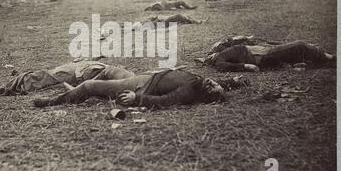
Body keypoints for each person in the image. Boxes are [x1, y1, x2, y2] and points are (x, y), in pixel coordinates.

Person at [33, 69, 249, 109]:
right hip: (147, 76)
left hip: (142, 86)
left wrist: (137, 99)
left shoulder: (191, 90)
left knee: (91, 86)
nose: (212, 83)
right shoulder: (202, 82)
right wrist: (233, 81)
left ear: (206, 96)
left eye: (212, 88)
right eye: (215, 83)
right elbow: (218, 85)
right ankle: (77, 92)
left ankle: (52, 101)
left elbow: (166, 101)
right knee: (108, 73)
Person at [0, 60, 135, 98]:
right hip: (80, 70)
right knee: (40, 76)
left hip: (79, 72)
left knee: (40, 79)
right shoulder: (132, 80)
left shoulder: (132, 86)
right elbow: (107, 72)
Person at [196, 36, 336, 72]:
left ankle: (321, 57)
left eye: (208, 55)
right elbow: (224, 67)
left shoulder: (220, 51)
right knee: (299, 45)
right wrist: (246, 66)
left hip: (259, 49)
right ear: (208, 62)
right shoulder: (219, 60)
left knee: (295, 49)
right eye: (207, 59)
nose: (209, 56)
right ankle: (330, 58)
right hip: (260, 55)